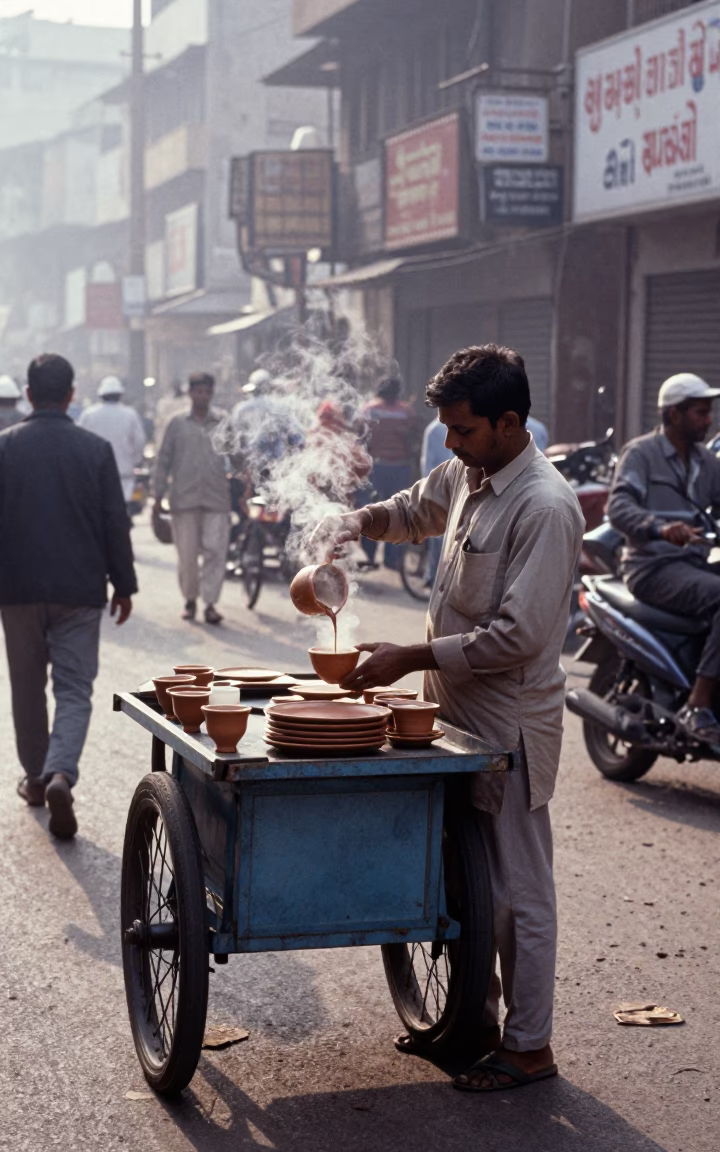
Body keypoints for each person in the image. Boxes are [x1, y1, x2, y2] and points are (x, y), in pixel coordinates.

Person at [310, 344, 584, 1093]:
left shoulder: (545, 506)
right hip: (453, 712)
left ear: (509, 422)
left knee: (515, 895)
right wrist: (356, 520)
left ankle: (530, 1047)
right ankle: (473, 1024)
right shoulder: (471, 472)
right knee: (465, 883)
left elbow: (519, 638)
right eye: (448, 431)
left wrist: (411, 657)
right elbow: (414, 510)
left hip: (509, 724)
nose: (451, 444)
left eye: (463, 431)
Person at [0, 354, 136, 839]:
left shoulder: (4, 447)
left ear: (30, 396)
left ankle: (37, 781)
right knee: (75, 689)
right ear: (72, 395)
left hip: (15, 591)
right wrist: (124, 584)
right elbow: (114, 523)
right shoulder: (94, 449)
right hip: (79, 590)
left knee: (26, 689)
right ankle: (61, 772)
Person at [608, 372, 720, 744]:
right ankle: (698, 704)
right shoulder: (641, 454)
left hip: (694, 566)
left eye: (709, 413)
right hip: (651, 567)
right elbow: (619, 507)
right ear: (673, 414)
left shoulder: (706, 461)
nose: (708, 421)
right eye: (700, 413)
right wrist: (659, 527)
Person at [154, 371, 230, 625]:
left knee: (215, 552)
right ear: (190, 393)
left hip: (217, 498)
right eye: (198, 391)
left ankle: (210, 604)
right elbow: (163, 460)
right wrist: (157, 496)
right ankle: (190, 600)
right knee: (187, 555)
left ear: (211, 393)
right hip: (183, 500)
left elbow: (238, 455)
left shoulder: (223, 422)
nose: (203, 396)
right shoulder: (176, 424)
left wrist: (250, 481)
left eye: (207, 391)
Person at [360, 376, 417, 571]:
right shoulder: (407, 412)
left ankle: (369, 556)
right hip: (400, 467)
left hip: (376, 467)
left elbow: (362, 439)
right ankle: (392, 559)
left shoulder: (369, 409)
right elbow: (412, 440)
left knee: (372, 511)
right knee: (399, 513)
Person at [78, 375, 146, 507]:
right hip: (124, 474)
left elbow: (79, 442)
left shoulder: (89, 415)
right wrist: (135, 461)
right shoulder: (129, 414)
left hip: (96, 477)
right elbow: (139, 442)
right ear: (120, 395)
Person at [420, 414, 448, 586]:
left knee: (437, 537)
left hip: (439, 490)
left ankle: (433, 577)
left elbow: (427, 464)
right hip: (448, 489)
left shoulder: (433, 429)